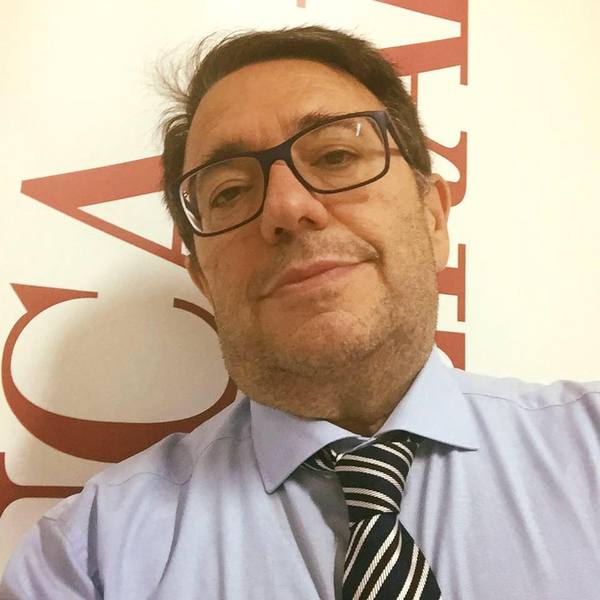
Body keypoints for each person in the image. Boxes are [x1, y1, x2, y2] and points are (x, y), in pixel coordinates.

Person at [1, 25, 598, 600]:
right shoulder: (88, 560)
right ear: (203, 278)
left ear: (434, 218)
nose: (287, 207)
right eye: (230, 191)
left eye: (336, 155)